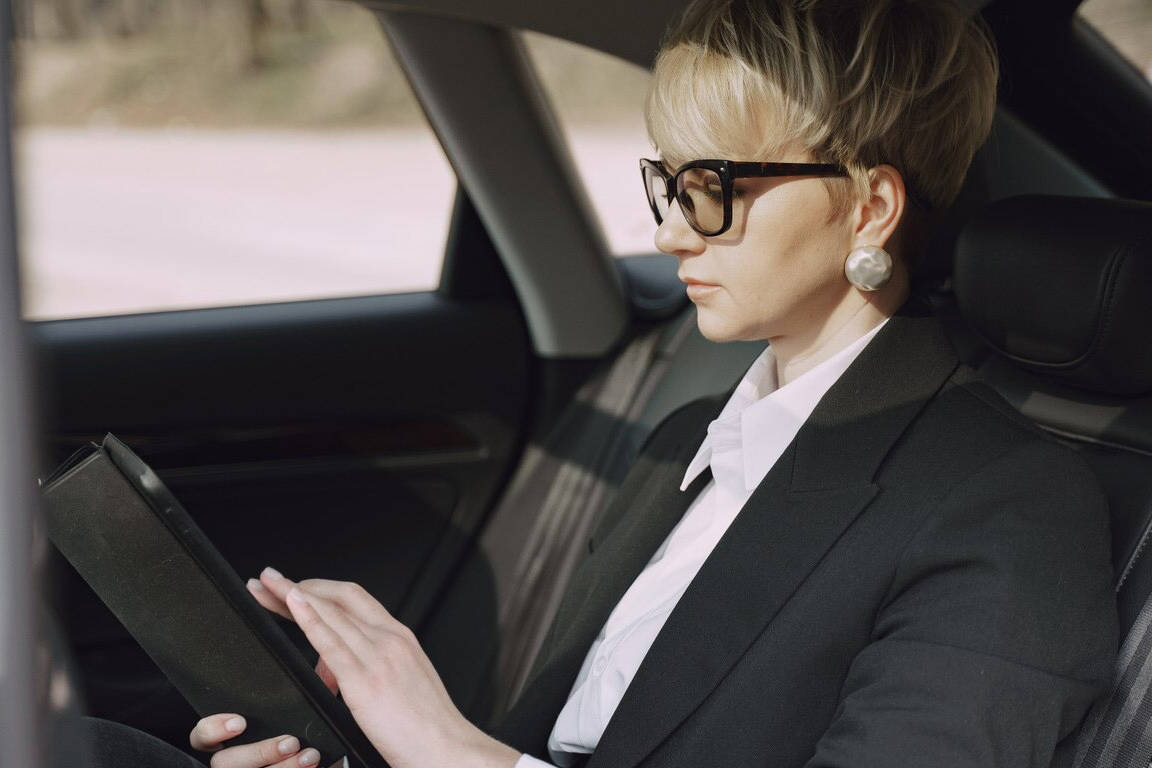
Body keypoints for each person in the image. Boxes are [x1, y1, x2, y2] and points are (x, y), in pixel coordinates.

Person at [189, 1, 1118, 767]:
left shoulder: (1009, 509)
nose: (675, 232)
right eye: (669, 185)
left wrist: (445, 750)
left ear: (870, 207)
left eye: (712, 186)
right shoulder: (685, 441)